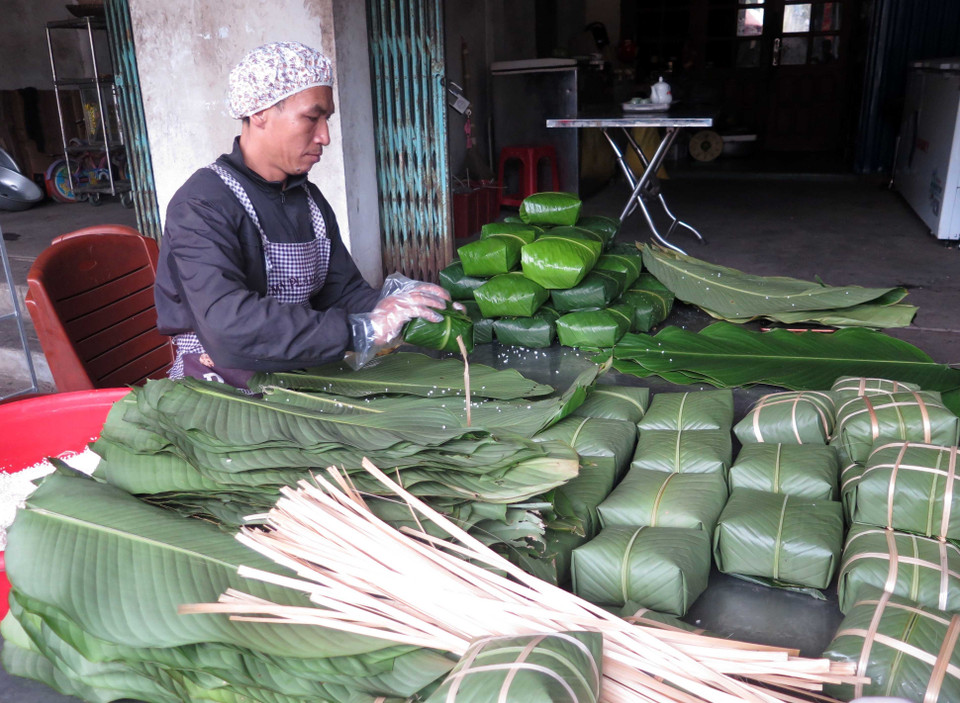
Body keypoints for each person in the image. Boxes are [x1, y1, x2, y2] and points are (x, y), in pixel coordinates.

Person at [155, 41, 449, 387]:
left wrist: (397, 303)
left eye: (327, 119)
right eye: (312, 117)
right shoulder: (202, 205)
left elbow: (339, 292)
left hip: (294, 372)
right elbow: (228, 325)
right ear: (259, 111)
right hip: (218, 385)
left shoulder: (308, 200)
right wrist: (358, 330)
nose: (324, 136)